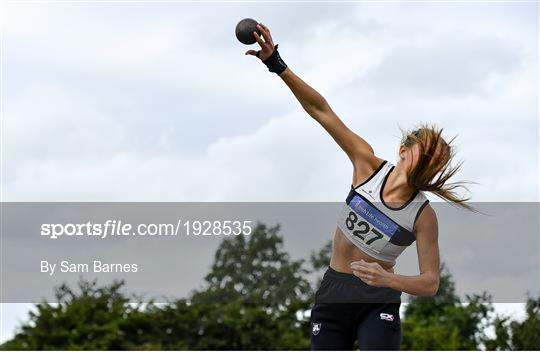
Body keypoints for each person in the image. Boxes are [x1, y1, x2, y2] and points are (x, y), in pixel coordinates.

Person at [245, 23, 471, 350]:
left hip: (378, 299)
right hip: (334, 291)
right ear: (403, 151)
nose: (436, 159)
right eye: (431, 150)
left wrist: (389, 280)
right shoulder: (366, 164)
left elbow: (430, 282)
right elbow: (321, 111)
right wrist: (278, 66)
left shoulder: (423, 216)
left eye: (441, 159)